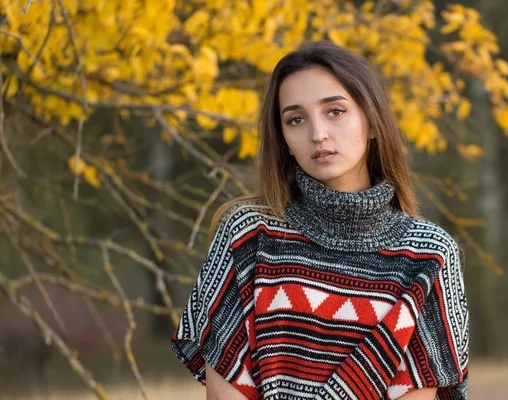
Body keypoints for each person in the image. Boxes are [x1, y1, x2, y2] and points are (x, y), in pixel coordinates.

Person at [170, 40, 469, 400]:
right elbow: (224, 384)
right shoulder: (248, 234)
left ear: (372, 121)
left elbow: (421, 387)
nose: (317, 134)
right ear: (284, 139)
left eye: (335, 111)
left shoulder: (429, 255)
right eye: (296, 119)